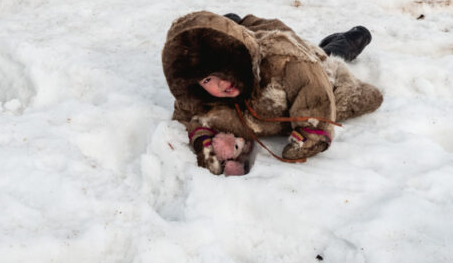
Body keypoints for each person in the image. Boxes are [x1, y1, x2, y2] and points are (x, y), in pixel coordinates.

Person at [162, 11, 383, 176]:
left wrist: (310, 131)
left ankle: (350, 39)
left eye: (224, 69)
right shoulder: (199, 97)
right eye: (208, 79)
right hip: (247, 37)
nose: (222, 83)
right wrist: (203, 141)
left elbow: (313, 88)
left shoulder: (282, 62)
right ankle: (231, 22)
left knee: (324, 57)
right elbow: (186, 115)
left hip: (288, 47)